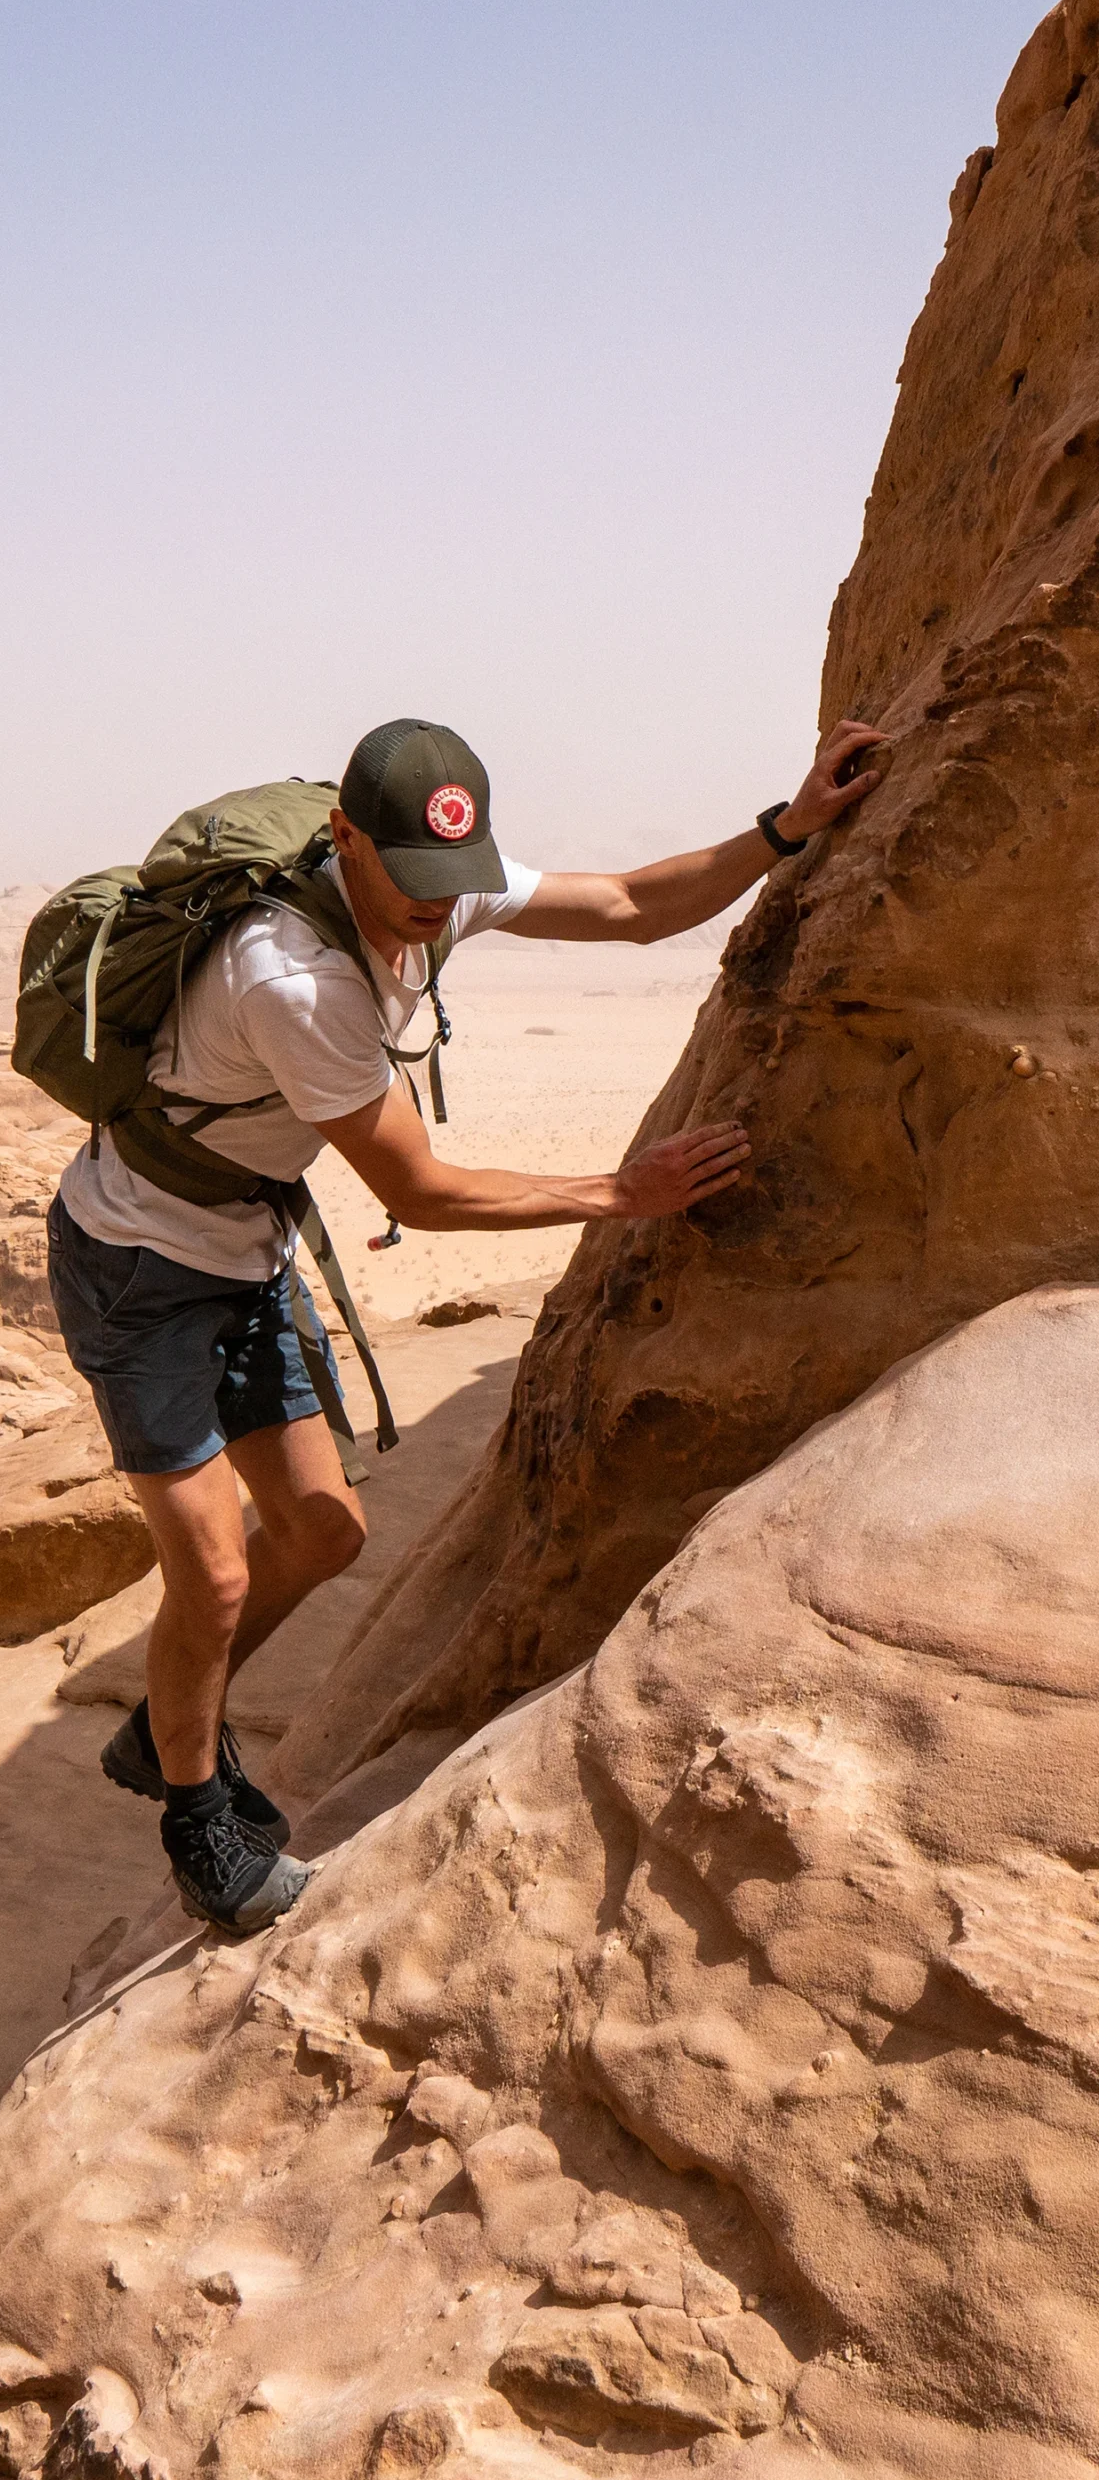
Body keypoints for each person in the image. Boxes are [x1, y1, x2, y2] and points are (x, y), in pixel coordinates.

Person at [47, 714, 886, 1935]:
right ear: (346, 840)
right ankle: (197, 1822)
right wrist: (621, 1193)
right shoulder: (293, 978)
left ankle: (167, 1722)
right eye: (413, 879)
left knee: (323, 1532)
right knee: (215, 1573)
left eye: (454, 877)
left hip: (243, 1250)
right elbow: (422, 1194)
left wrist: (784, 828)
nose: (437, 906)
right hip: (140, 1269)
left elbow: (630, 906)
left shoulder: (426, 886)